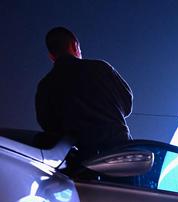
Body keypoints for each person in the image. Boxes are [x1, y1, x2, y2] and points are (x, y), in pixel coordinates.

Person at [35, 26, 133, 159]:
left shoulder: (45, 87)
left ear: (51, 56)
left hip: (79, 163)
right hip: (121, 153)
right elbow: (127, 104)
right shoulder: (101, 68)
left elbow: (48, 126)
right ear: (75, 46)